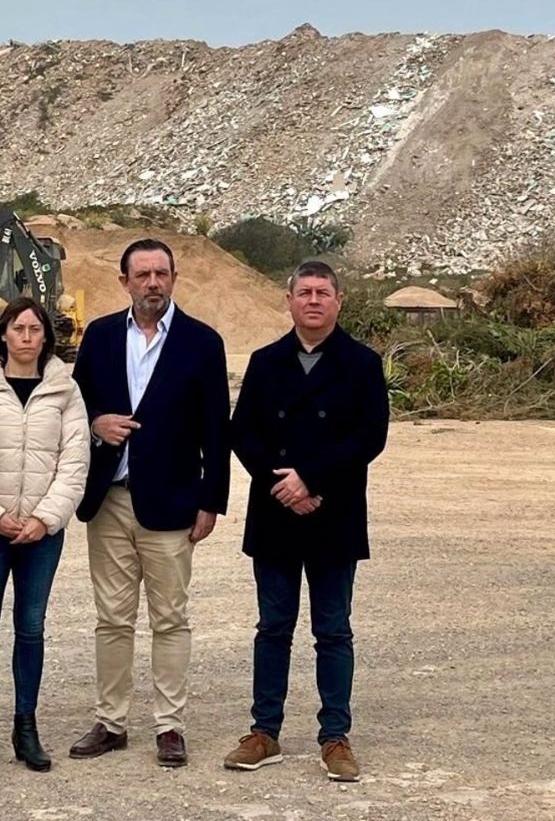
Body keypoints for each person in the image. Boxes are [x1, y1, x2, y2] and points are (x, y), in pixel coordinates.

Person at [67, 238, 230, 768]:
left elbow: (216, 429)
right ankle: (111, 722)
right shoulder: (99, 335)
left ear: (174, 278)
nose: (153, 283)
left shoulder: (203, 342)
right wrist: (95, 423)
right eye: (142, 275)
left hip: (174, 501)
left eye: (161, 274)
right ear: (124, 281)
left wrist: (212, 500)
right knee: (112, 619)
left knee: (170, 618)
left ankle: (169, 726)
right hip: (109, 499)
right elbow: (77, 402)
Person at [223, 260, 388, 782]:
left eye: (323, 293)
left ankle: (335, 736)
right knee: (272, 627)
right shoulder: (266, 361)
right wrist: (283, 486)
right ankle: (264, 731)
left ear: (339, 301)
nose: (313, 301)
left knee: (333, 630)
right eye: (304, 293)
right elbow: (243, 432)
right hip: (275, 514)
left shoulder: (362, 363)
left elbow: (370, 437)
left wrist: (311, 480)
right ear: (289, 301)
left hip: (333, 513)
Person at [0, 297, 89, 773]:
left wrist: (45, 518)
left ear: (47, 337)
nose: (27, 336)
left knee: (31, 627)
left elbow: (74, 462)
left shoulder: (66, 391)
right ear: (2, 334)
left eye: (35, 329)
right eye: (18, 328)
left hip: (42, 534)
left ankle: (26, 727)